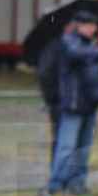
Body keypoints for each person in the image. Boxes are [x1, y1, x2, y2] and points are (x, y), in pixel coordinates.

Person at [46, 10, 98, 196]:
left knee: (83, 148)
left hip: (90, 106)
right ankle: (56, 184)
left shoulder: (92, 47)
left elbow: (94, 78)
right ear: (79, 25)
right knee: (66, 146)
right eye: (89, 26)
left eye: (94, 26)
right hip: (73, 105)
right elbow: (77, 54)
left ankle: (77, 184)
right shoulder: (68, 42)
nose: (92, 29)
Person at [36, 19, 76, 159]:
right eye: (74, 24)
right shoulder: (56, 46)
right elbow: (45, 73)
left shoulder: (75, 46)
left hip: (76, 102)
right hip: (60, 101)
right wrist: (53, 97)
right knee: (61, 139)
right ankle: (57, 173)